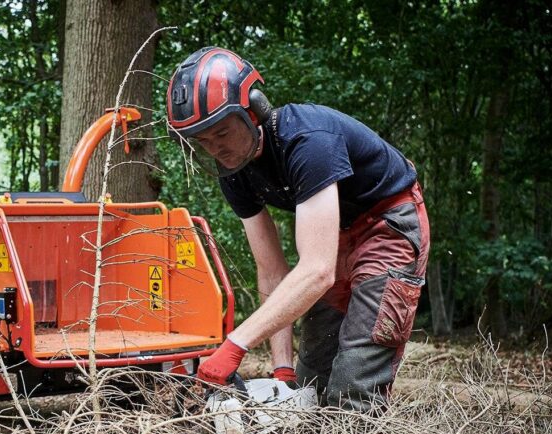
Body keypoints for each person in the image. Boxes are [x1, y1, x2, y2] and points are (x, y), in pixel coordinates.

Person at [167, 47, 430, 412]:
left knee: (354, 379)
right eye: (203, 142)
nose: (217, 149)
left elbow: (317, 270)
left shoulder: (307, 141)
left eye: (222, 133)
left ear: (253, 110)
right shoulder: (235, 172)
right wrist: (281, 370)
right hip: (338, 232)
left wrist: (235, 345)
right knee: (311, 379)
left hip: (388, 223)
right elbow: (271, 270)